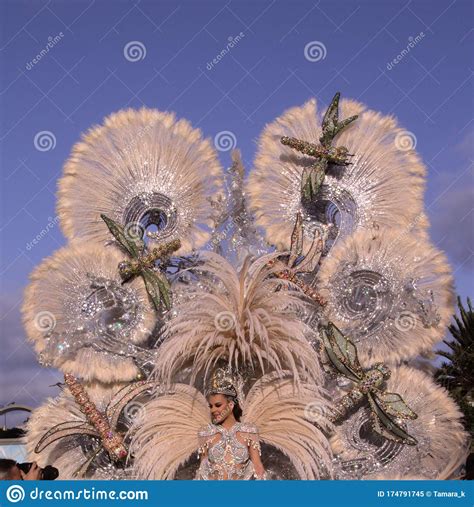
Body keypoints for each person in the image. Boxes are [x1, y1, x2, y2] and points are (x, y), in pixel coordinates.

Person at [195, 368, 266, 480]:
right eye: (211, 406)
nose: (213, 410)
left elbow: (258, 467)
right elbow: (202, 470)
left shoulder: (249, 431)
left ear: (231, 405)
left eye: (218, 405)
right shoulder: (205, 433)